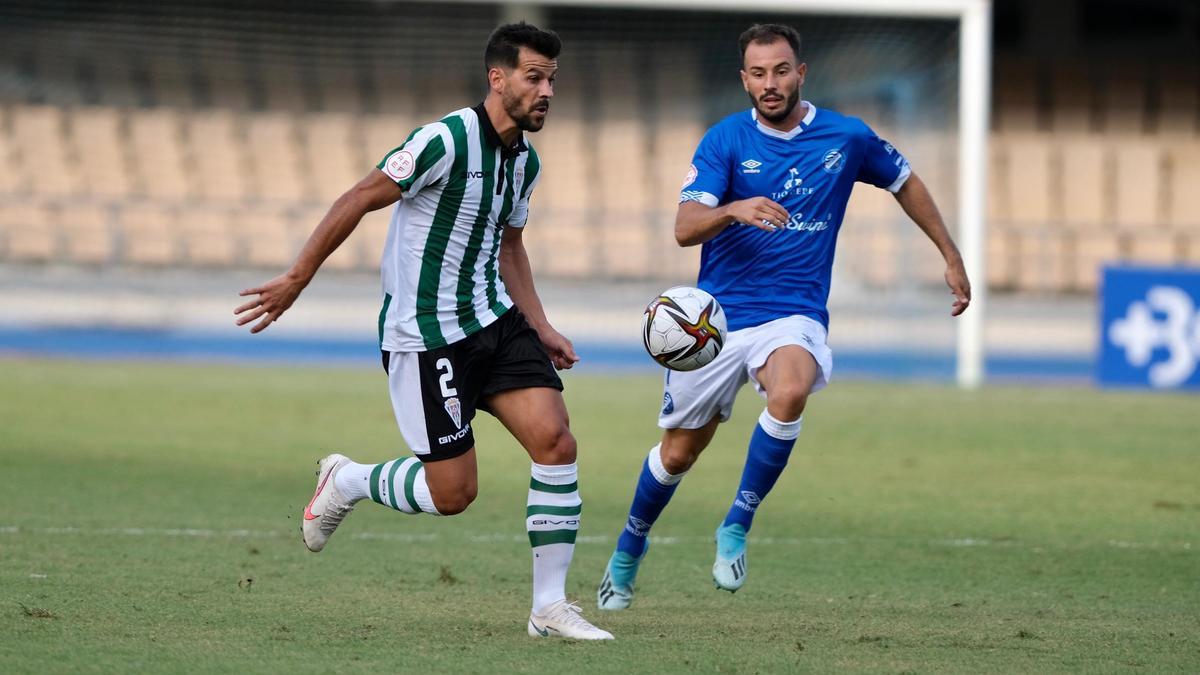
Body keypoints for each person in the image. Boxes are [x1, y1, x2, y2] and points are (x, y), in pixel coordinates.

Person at [233, 22, 612, 640]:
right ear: (499, 78)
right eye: (534, 77)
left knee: (556, 443)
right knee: (454, 493)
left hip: (495, 320)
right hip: (426, 335)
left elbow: (510, 246)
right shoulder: (445, 139)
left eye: (552, 80)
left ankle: (549, 608)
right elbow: (360, 195)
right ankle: (348, 479)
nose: (546, 91)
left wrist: (539, 325)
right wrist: (298, 276)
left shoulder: (525, 162)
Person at [597, 23, 971, 610]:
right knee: (676, 456)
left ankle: (736, 525)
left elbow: (906, 182)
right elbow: (683, 229)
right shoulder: (723, 142)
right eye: (758, 73)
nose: (770, 84)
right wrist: (735, 209)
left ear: (801, 73)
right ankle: (628, 548)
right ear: (744, 79)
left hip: (792, 313)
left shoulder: (845, 137)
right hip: (713, 325)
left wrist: (950, 255)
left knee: (791, 390)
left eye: (780, 71)